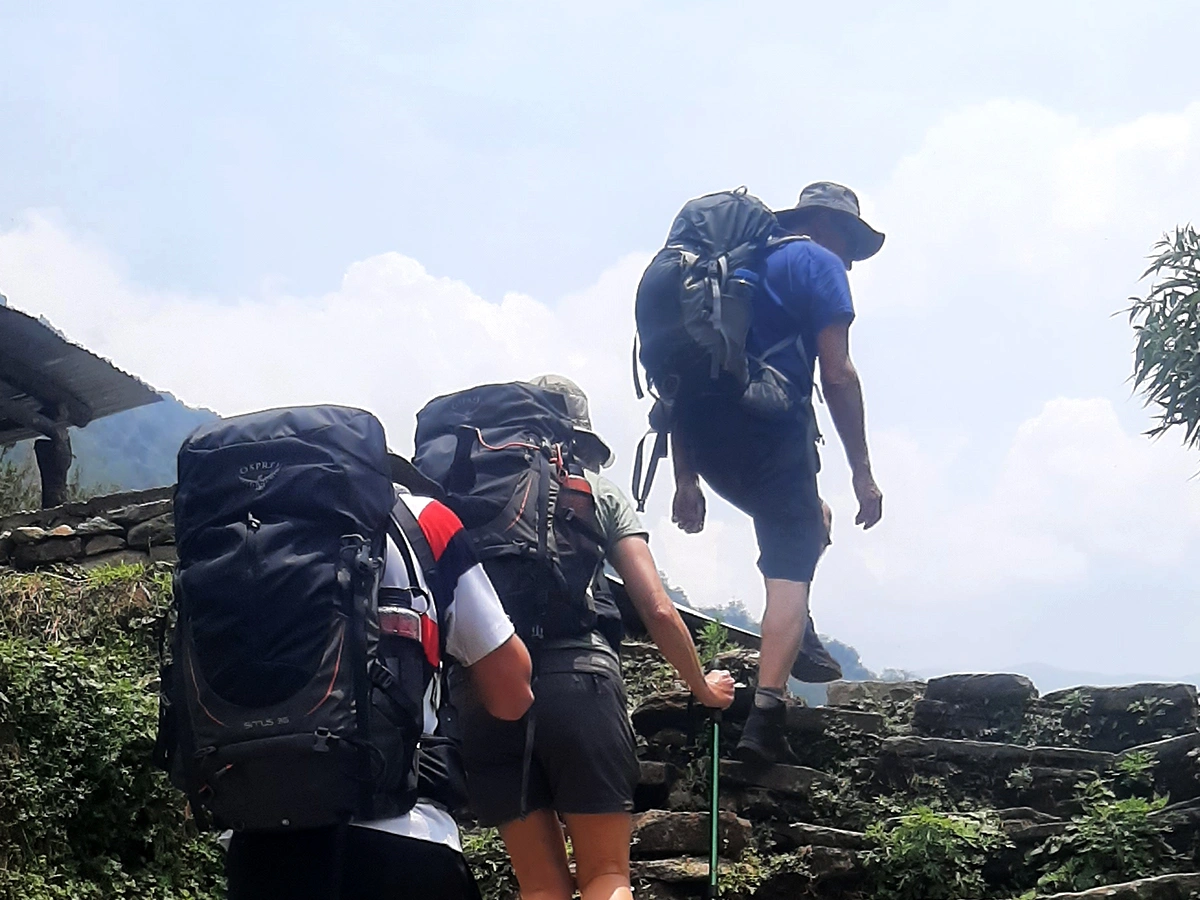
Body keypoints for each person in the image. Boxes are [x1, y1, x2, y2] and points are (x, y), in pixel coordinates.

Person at [452, 374, 736, 900]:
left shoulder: (463, 493)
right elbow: (656, 607)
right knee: (606, 876)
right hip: (580, 684)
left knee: (541, 887)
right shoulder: (594, 491)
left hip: (485, 693)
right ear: (576, 436)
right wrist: (702, 687)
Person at [224, 485, 534, 900]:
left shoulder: (233, 531)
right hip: (405, 840)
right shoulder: (421, 520)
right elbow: (513, 692)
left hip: (258, 851)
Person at [670, 181, 885, 766]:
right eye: (851, 245)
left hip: (706, 445)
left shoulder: (726, 268)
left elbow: (681, 376)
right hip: (769, 432)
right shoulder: (817, 264)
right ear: (832, 228)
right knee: (791, 561)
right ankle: (765, 720)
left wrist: (686, 477)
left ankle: (800, 632)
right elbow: (837, 374)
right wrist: (863, 473)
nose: (849, 260)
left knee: (812, 518)